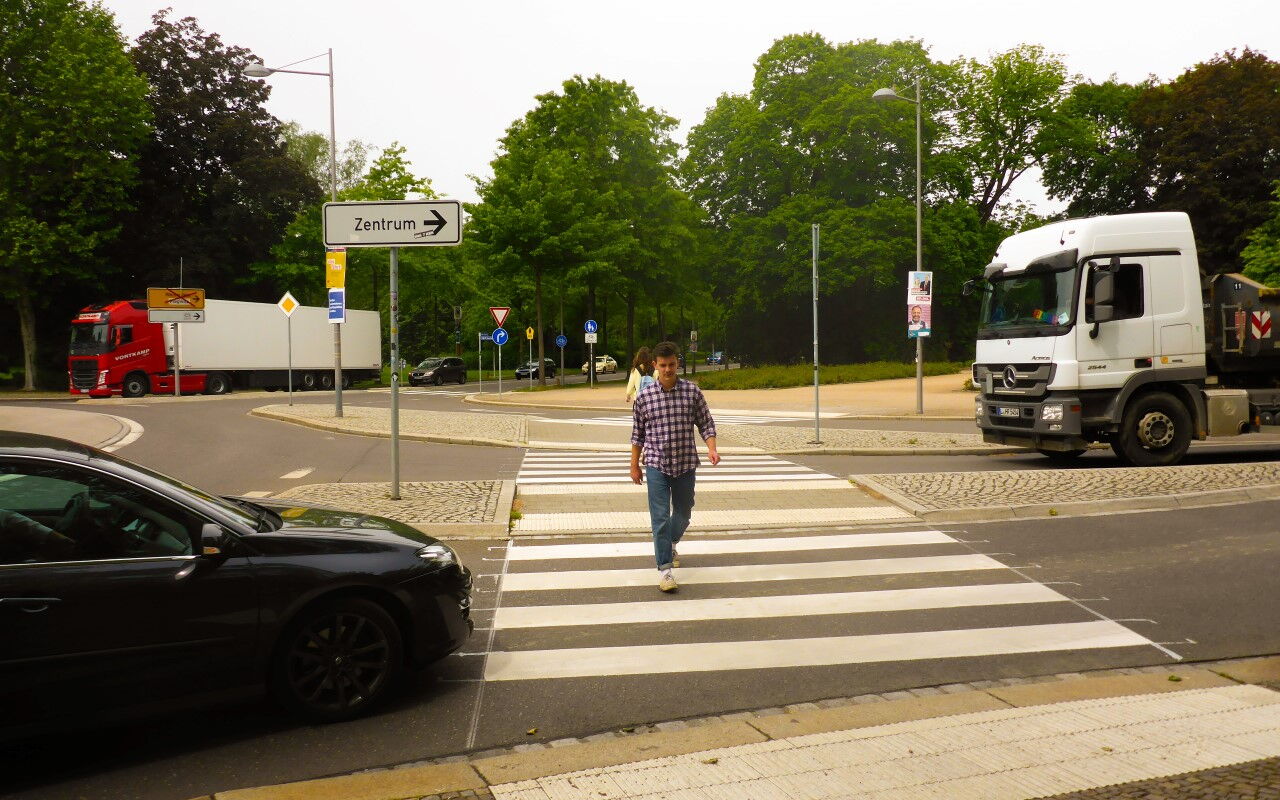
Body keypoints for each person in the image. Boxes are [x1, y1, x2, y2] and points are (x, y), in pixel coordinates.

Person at [629, 341, 719, 592]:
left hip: (685, 463)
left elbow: (706, 424)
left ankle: (669, 543)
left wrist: (712, 448)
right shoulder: (645, 398)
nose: (667, 369)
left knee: (684, 512)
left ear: (677, 363)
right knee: (659, 518)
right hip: (656, 464)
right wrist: (633, 465)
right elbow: (638, 435)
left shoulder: (692, 392)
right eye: (663, 365)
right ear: (655, 366)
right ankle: (665, 570)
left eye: (671, 364)